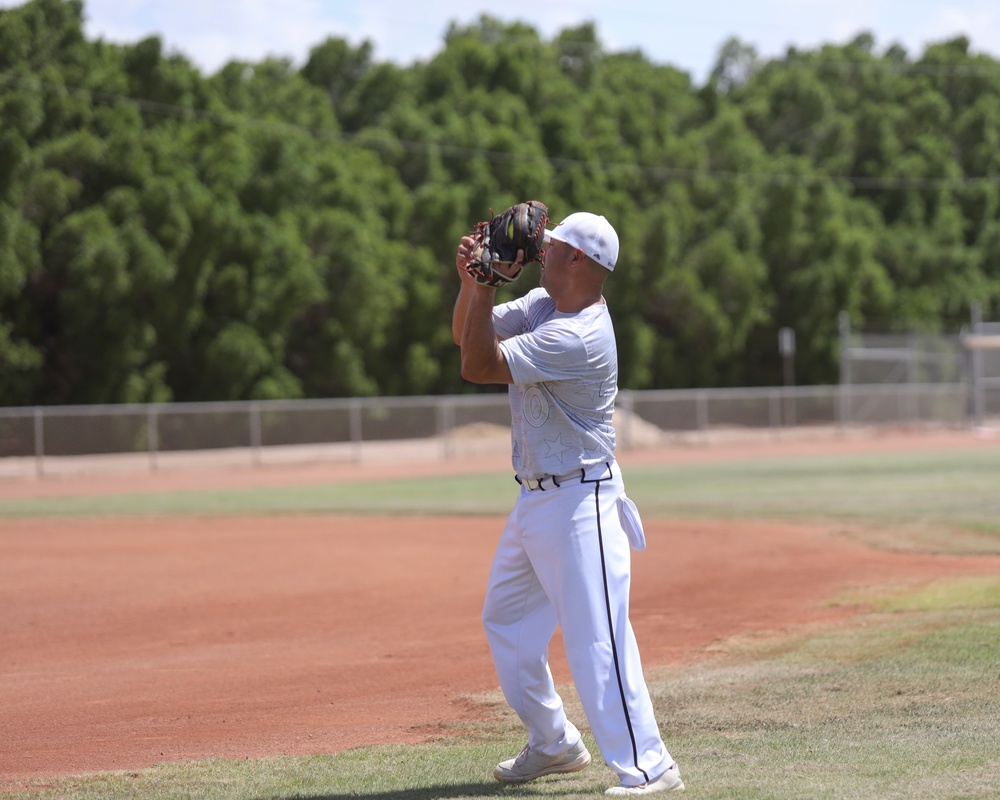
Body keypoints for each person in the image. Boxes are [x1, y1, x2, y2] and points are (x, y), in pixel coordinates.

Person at [451, 210, 684, 795]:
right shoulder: (543, 306)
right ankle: (554, 743)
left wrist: (485, 281)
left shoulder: (577, 335)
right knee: (506, 621)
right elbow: (465, 334)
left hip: (583, 503)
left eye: (551, 244)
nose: (537, 247)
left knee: (597, 639)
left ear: (578, 259)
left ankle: (651, 768)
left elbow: (478, 365)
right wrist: (470, 282)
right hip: (536, 499)